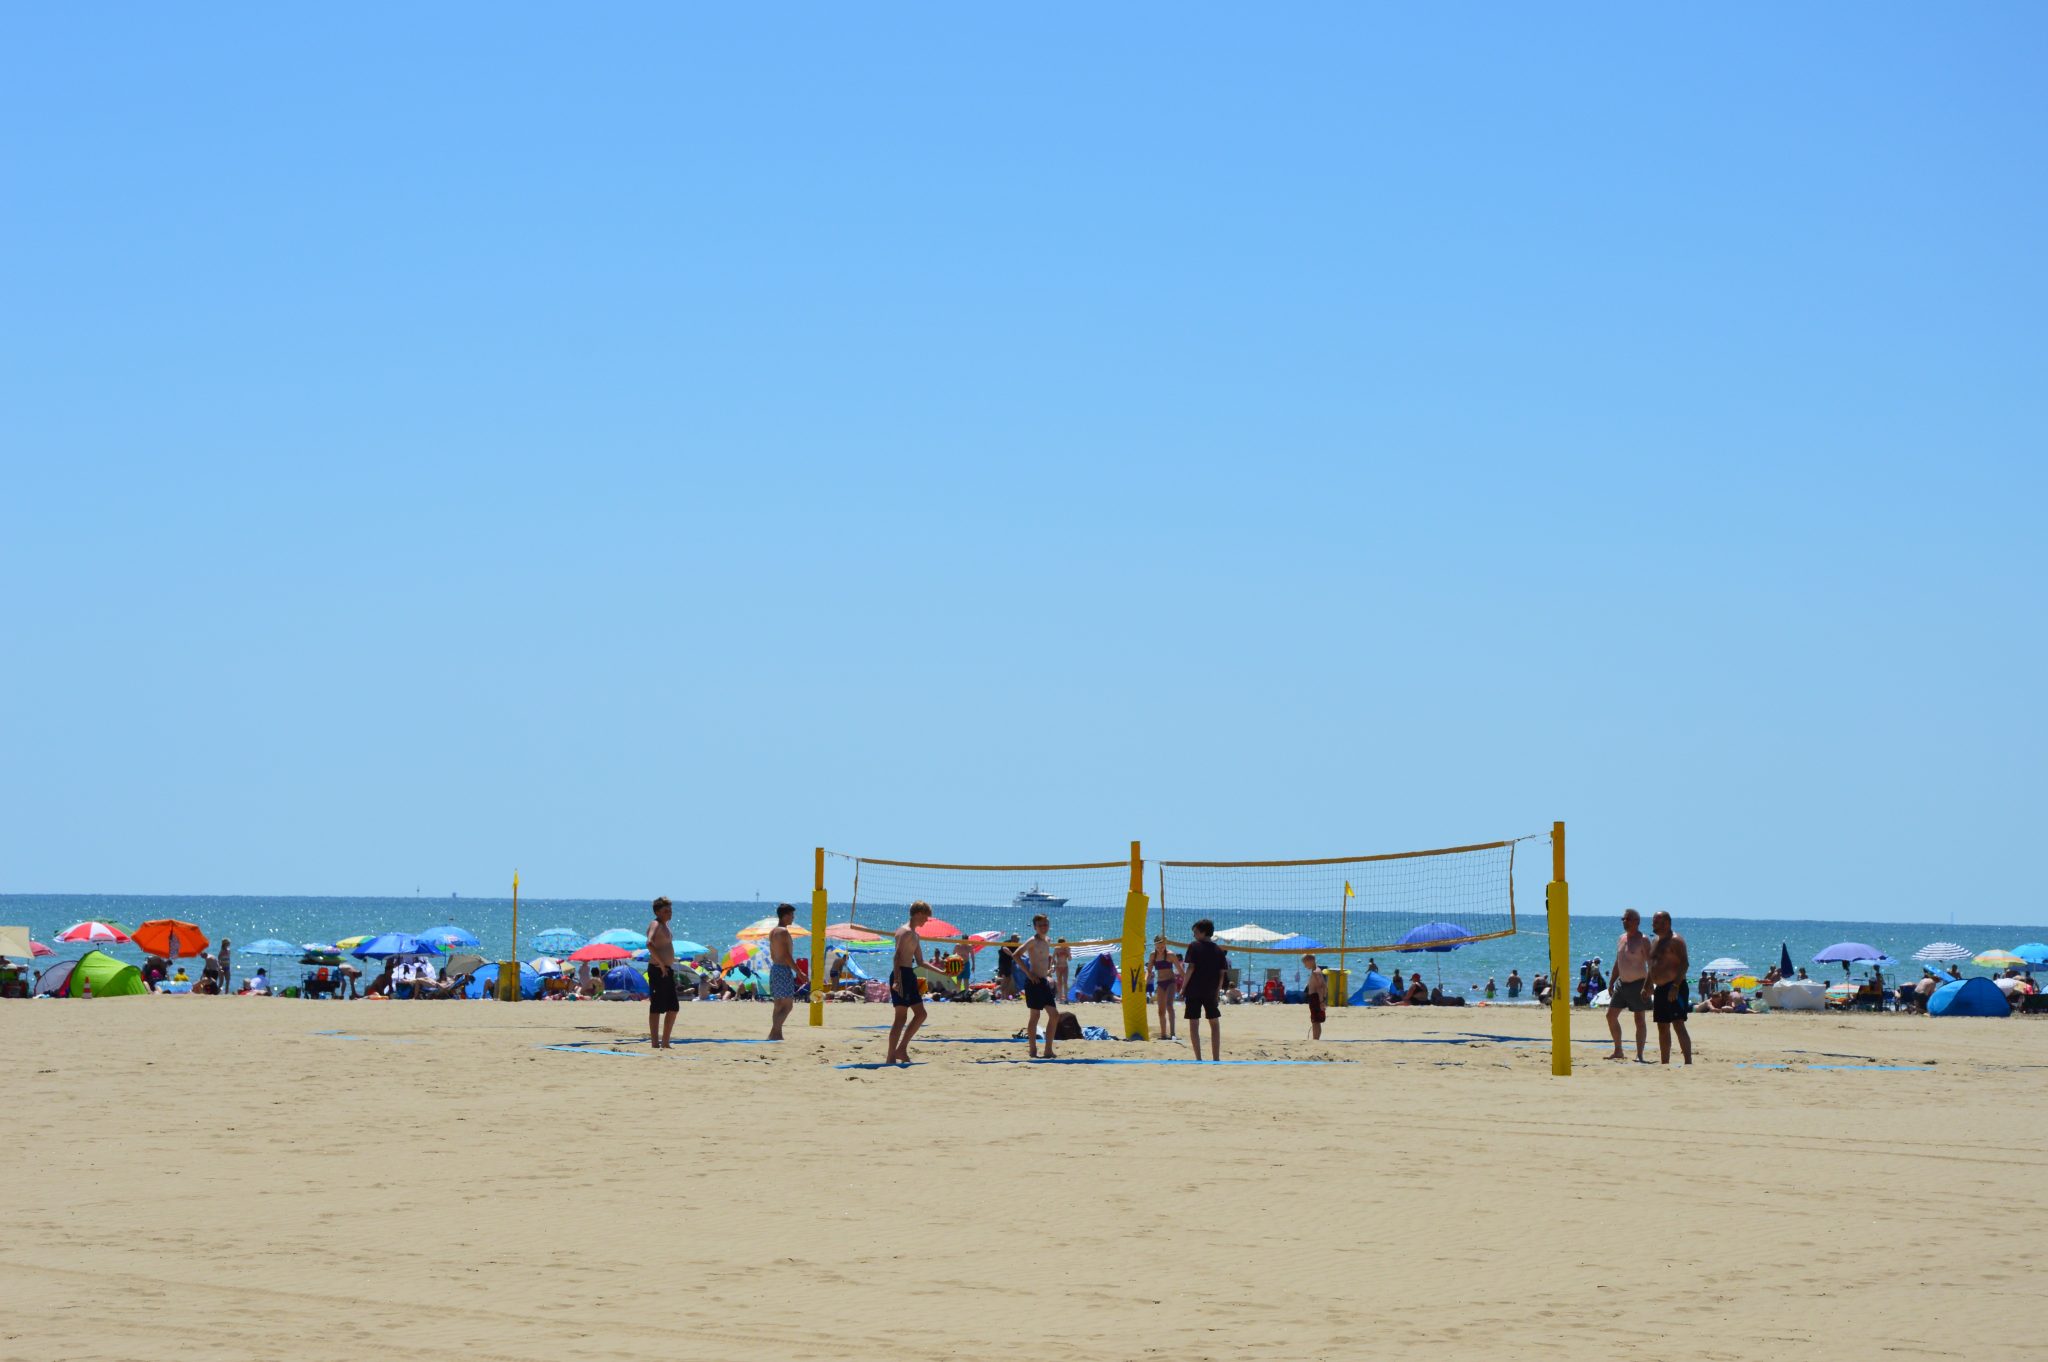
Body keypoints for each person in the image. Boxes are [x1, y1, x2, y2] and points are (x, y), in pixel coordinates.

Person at [885, 902, 937, 1065]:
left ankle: (901, 1049)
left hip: (909, 975)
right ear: (918, 913)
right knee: (900, 1018)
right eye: (926, 916)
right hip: (901, 974)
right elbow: (897, 957)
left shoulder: (915, 934)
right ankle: (890, 1057)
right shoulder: (905, 932)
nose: (926, 920)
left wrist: (943, 972)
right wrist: (897, 980)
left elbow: (920, 961)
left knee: (921, 1014)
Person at [1605, 908, 1652, 1062]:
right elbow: (1618, 962)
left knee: (1639, 1019)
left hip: (1639, 984)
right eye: (1623, 919)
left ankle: (1639, 1054)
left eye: (1627, 919)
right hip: (1621, 984)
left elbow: (1652, 965)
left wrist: (1648, 986)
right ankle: (1618, 1050)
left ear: (1636, 922)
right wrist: (1611, 982)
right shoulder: (1621, 938)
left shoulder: (1643, 939)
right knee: (1610, 1016)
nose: (1624, 922)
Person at [1647, 910, 1693, 1065]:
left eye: (1656, 921)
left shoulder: (1676, 940)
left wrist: (1675, 986)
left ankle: (1688, 1061)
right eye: (1653, 921)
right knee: (1662, 1025)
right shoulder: (1655, 941)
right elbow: (1652, 965)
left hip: (1675, 987)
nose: (1653, 924)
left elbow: (1684, 964)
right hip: (1660, 989)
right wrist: (1647, 984)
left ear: (1666, 923)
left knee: (1678, 1023)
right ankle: (1664, 1062)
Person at [1181, 919, 1227, 1061]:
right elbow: (1221, 975)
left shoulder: (1194, 946)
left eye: (1195, 932)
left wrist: (1183, 987)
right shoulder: (1218, 950)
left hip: (1194, 989)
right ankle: (1216, 1058)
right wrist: (1217, 992)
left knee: (1194, 1023)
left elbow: (1191, 968)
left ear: (1203, 932)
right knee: (1214, 1023)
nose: (1194, 935)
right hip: (1210, 990)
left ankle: (1199, 1058)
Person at [1019, 915, 1062, 1059]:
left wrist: (1049, 970)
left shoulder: (1047, 940)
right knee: (1035, 1016)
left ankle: (1048, 1050)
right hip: (1033, 983)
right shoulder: (1032, 941)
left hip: (1043, 981)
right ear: (1035, 927)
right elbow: (1015, 955)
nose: (1044, 927)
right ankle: (1032, 1050)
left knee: (1054, 1015)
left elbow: (1046, 957)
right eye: (1040, 925)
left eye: (1045, 924)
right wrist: (1029, 974)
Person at [646, 897, 680, 1050]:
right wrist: (660, 963)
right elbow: (649, 943)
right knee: (657, 1006)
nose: (669, 913)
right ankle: (655, 1042)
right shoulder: (655, 924)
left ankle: (665, 1042)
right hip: (657, 969)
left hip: (666, 970)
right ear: (657, 912)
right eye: (666, 911)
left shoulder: (666, 926)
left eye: (670, 910)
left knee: (673, 1007)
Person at [767, 902, 798, 1040]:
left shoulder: (773, 932)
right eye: (791, 915)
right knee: (788, 1006)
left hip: (775, 968)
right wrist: (800, 972)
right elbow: (786, 955)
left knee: (778, 1005)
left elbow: (773, 954)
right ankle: (774, 1033)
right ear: (785, 916)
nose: (793, 917)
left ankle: (776, 1035)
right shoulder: (783, 932)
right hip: (783, 969)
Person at [1150, 935, 1178, 1039]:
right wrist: (1145, 980)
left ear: (1165, 945)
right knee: (1161, 1011)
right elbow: (1149, 970)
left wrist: (1187, 983)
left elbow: (1180, 970)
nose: (1160, 949)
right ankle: (1163, 1034)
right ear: (1155, 946)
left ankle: (1173, 1033)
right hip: (1160, 983)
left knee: (1169, 1006)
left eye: (1162, 947)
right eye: (1158, 947)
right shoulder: (1153, 955)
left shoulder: (1171, 955)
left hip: (1170, 982)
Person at [1303, 953, 1327, 1039]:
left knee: (1315, 1021)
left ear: (1311, 961)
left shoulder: (1316, 972)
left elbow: (1321, 987)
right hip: (1315, 998)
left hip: (1316, 998)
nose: (1304, 965)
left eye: (1305, 962)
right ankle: (1316, 1038)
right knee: (1315, 1020)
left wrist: (1321, 1001)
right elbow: (1323, 986)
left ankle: (1315, 1039)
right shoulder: (1316, 971)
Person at [996, 935, 1019, 1000]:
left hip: (1009, 964)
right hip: (1003, 963)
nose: (1018, 940)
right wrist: (1012, 955)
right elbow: (1004, 949)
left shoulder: (1016, 945)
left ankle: (1004, 996)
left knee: (1008, 979)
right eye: (1017, 939)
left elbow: (1020, 951)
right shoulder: (1007, 942)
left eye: (1018, 939)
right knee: (1005, 979)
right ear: (1013, 939)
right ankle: (1002, 996)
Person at [1053, 937, 1072, 1002]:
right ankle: (1060, 997)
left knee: (1065, 982)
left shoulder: (1067, 948)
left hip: (1065, 967)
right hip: (1058, 967)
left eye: (1063, 943)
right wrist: (1052, 967)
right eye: (1060, 943)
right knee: (1059, 983)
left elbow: (1070, 959)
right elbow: (1053, 959)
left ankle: (1066, 997)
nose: (1062, 944)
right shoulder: (1056, 949)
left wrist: (1068, 952)